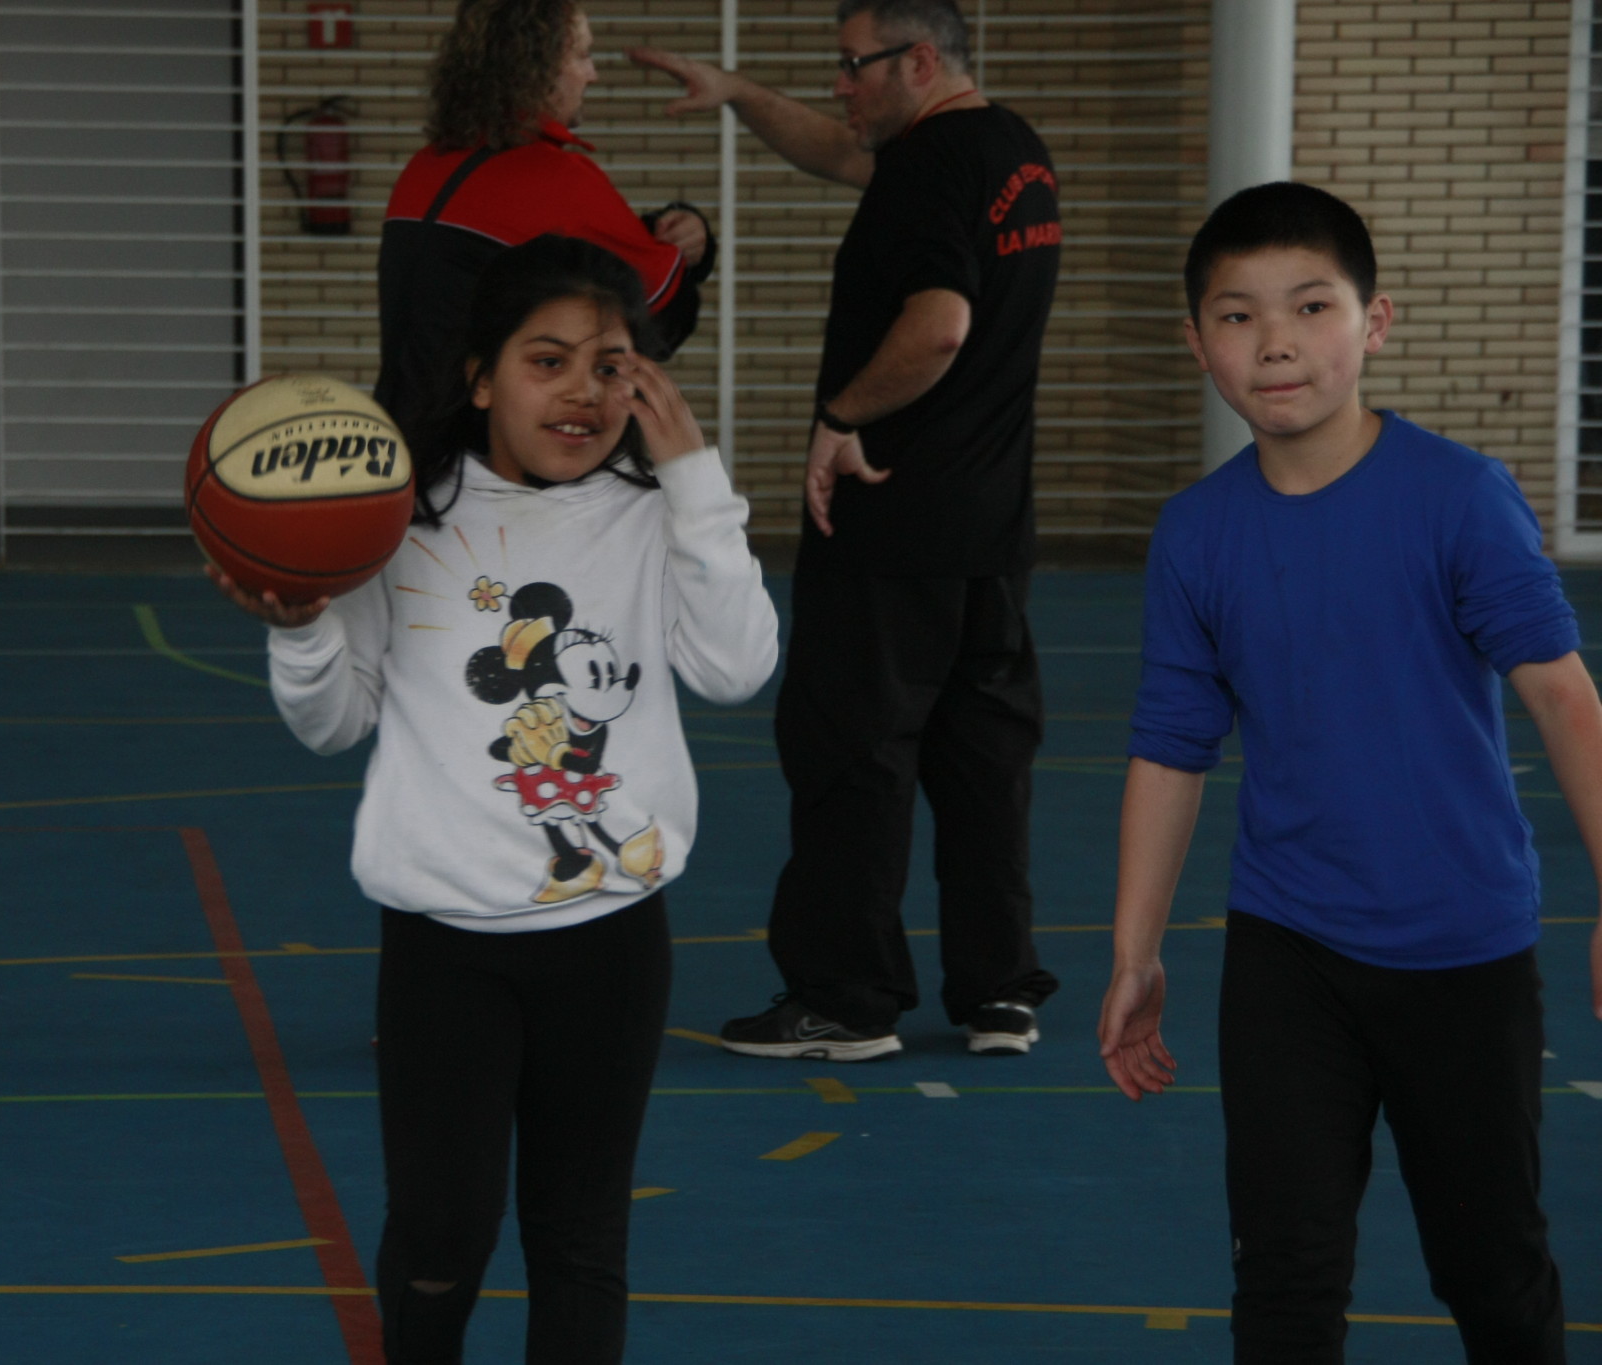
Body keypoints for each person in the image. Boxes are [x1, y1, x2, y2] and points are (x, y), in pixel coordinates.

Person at [212, 235, 778, 1365]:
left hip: (612, 939)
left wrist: (696, 484)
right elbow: (331, 723)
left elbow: (737, 668)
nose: (582, 393)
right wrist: (304, 627)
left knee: (580, 1242)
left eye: (610, 366)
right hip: (446, 950)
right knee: (441, 1237)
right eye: (547, 361)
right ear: (480, 378)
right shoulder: (396, 520)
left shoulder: (654, 514)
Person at [1099, 181, 1602, 1363]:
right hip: (1288, 949)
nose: (1273, 342)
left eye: (1309, 306)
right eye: (1235, 316)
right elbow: (1169, 747)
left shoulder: (1455, 497)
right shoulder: (1196, 534)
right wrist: (1133, 952)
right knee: (1283, 1277)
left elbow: (1563, 700)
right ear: (1196, 343)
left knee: (1489, 1269)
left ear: (1372, 323)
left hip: (1460, 950)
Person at [629, 0, 1059, 1060]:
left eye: (853, 65)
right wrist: (737, 93)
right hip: (991, 532)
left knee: (850, 757)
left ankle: (846, 998)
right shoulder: (1007, 148)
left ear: (918, 60)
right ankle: (998, 992)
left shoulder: (923, 169)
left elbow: (939, 324)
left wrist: (839, 416)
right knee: (982, 767)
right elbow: (838, 149)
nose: (839, 84)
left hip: (891, 525)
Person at [375, 0, 714, 422]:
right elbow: (661, 321)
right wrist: (692, 247)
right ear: (538, 69)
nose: (593, 74)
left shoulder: (423, 168)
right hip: (484, 452)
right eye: (582, 55)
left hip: (394, 441)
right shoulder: (556, 179)